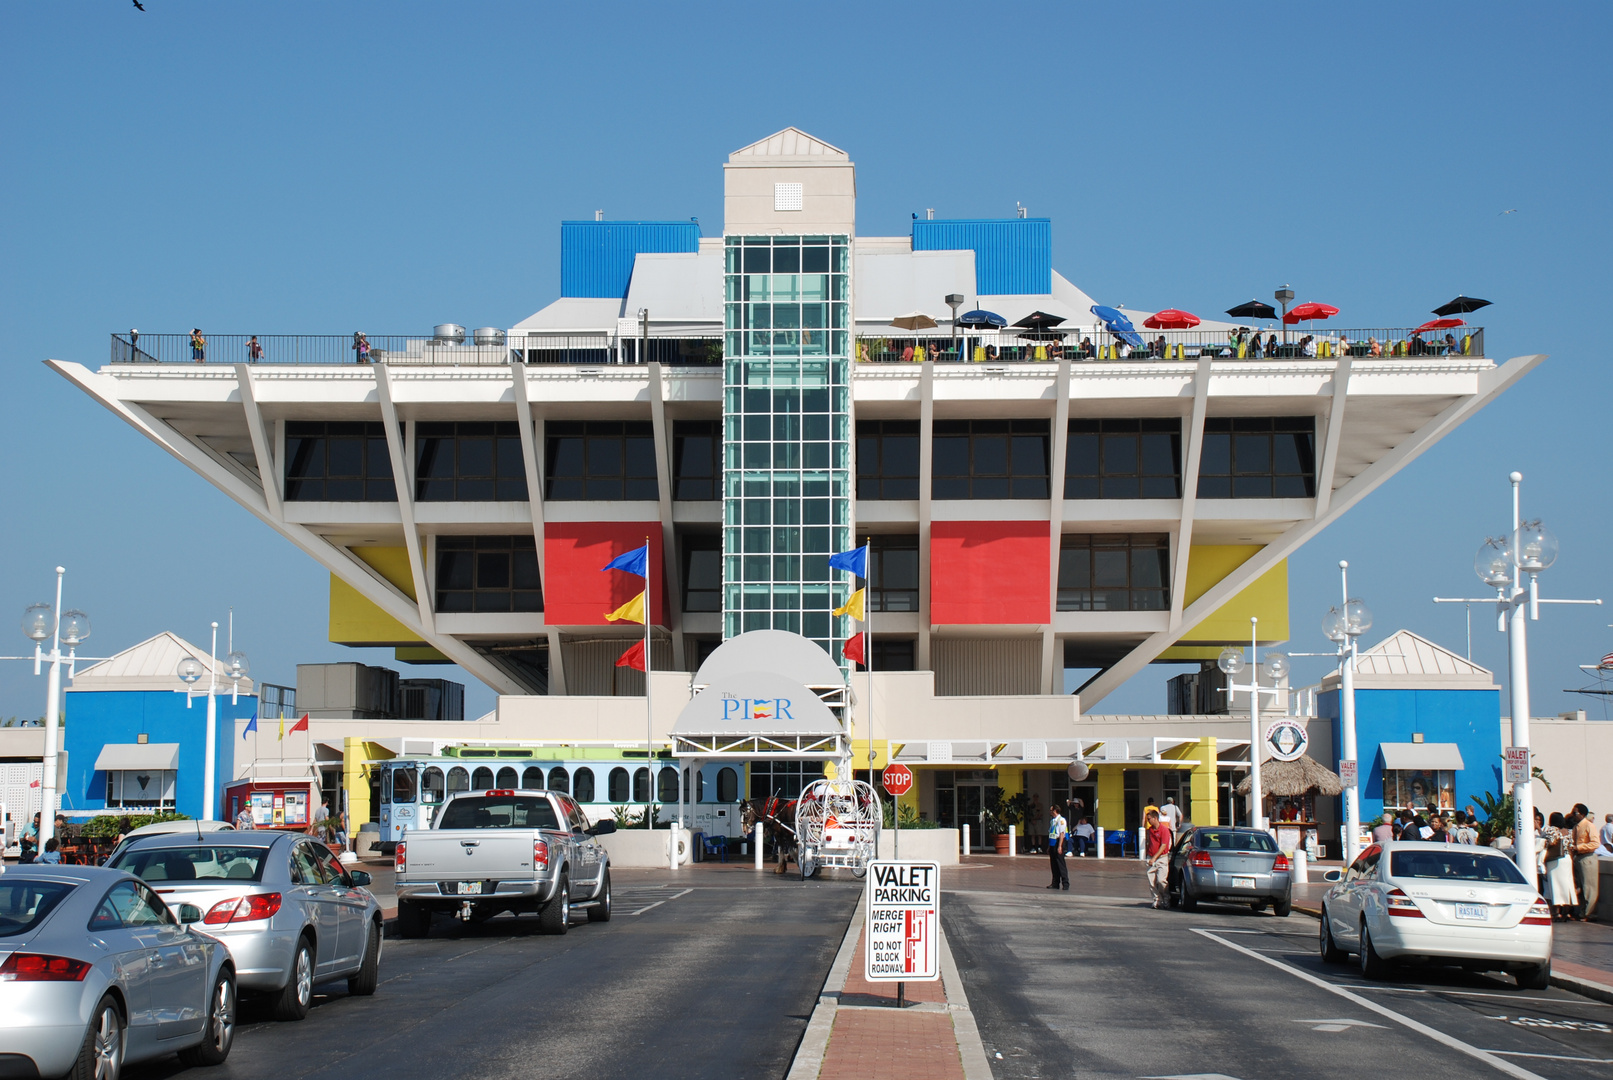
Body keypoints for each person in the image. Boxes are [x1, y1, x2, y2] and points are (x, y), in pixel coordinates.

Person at [1544, 811, 1577, 920]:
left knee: (1555, 885)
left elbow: (1550, 842)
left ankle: (1556, 912)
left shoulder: (1552, 830)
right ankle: (1566, 912)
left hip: (1555, 859)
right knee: (1567, 884)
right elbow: (1572, 846)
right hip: (1567, 859)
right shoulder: (1568, 831)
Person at [1570, 803, 1600, 921]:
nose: (1573, 815)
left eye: (1575, 813)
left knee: (1589, 887)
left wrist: (1579, 847)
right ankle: (1583, 912)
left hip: (1587, 858)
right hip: (1578, 858)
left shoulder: (1589, 826)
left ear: (1582, 814)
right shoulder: (1576, 827)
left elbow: (1595, 843)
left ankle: (1590, 914)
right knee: (1581, 887)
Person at [1144, 809, 1173, 910]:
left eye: (1149, 819)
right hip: (1150, 857)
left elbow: (1163, 846)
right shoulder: (1150, 830)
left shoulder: (1164, 830)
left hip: (1161, 858)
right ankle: (1156, 900)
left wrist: (1154, 858)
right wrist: (1147, 856)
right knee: (1151, 881)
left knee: (1161, 880)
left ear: (1155, 818)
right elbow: (1149, 843)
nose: (1148, 821)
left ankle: (1166, 898)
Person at [1046, 803, 1069, 890]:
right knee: (1053, 864)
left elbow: (1062, 833)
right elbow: (1051, 833)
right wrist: (1049, 846)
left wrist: (1060, 846)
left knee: (1060, 863)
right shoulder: (1052, 821)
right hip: (1052, 842)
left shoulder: (1061, 820)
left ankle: (1065, 883)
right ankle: (1055, 883)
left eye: (1051, 810)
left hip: (1059, 842)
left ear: (1055, 810)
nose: (1050, 812)